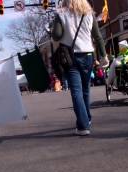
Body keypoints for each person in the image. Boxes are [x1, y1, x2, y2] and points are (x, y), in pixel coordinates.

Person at [52, 0, 109, 136]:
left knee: (76, 91)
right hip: (88, 55)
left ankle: (83, 126)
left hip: (70, 56)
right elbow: (98, 36)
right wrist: (103, 56)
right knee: (85, 89)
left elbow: (56, 35)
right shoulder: (89, 13)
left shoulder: (61, 13)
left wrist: (54, 27)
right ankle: (86, 119)